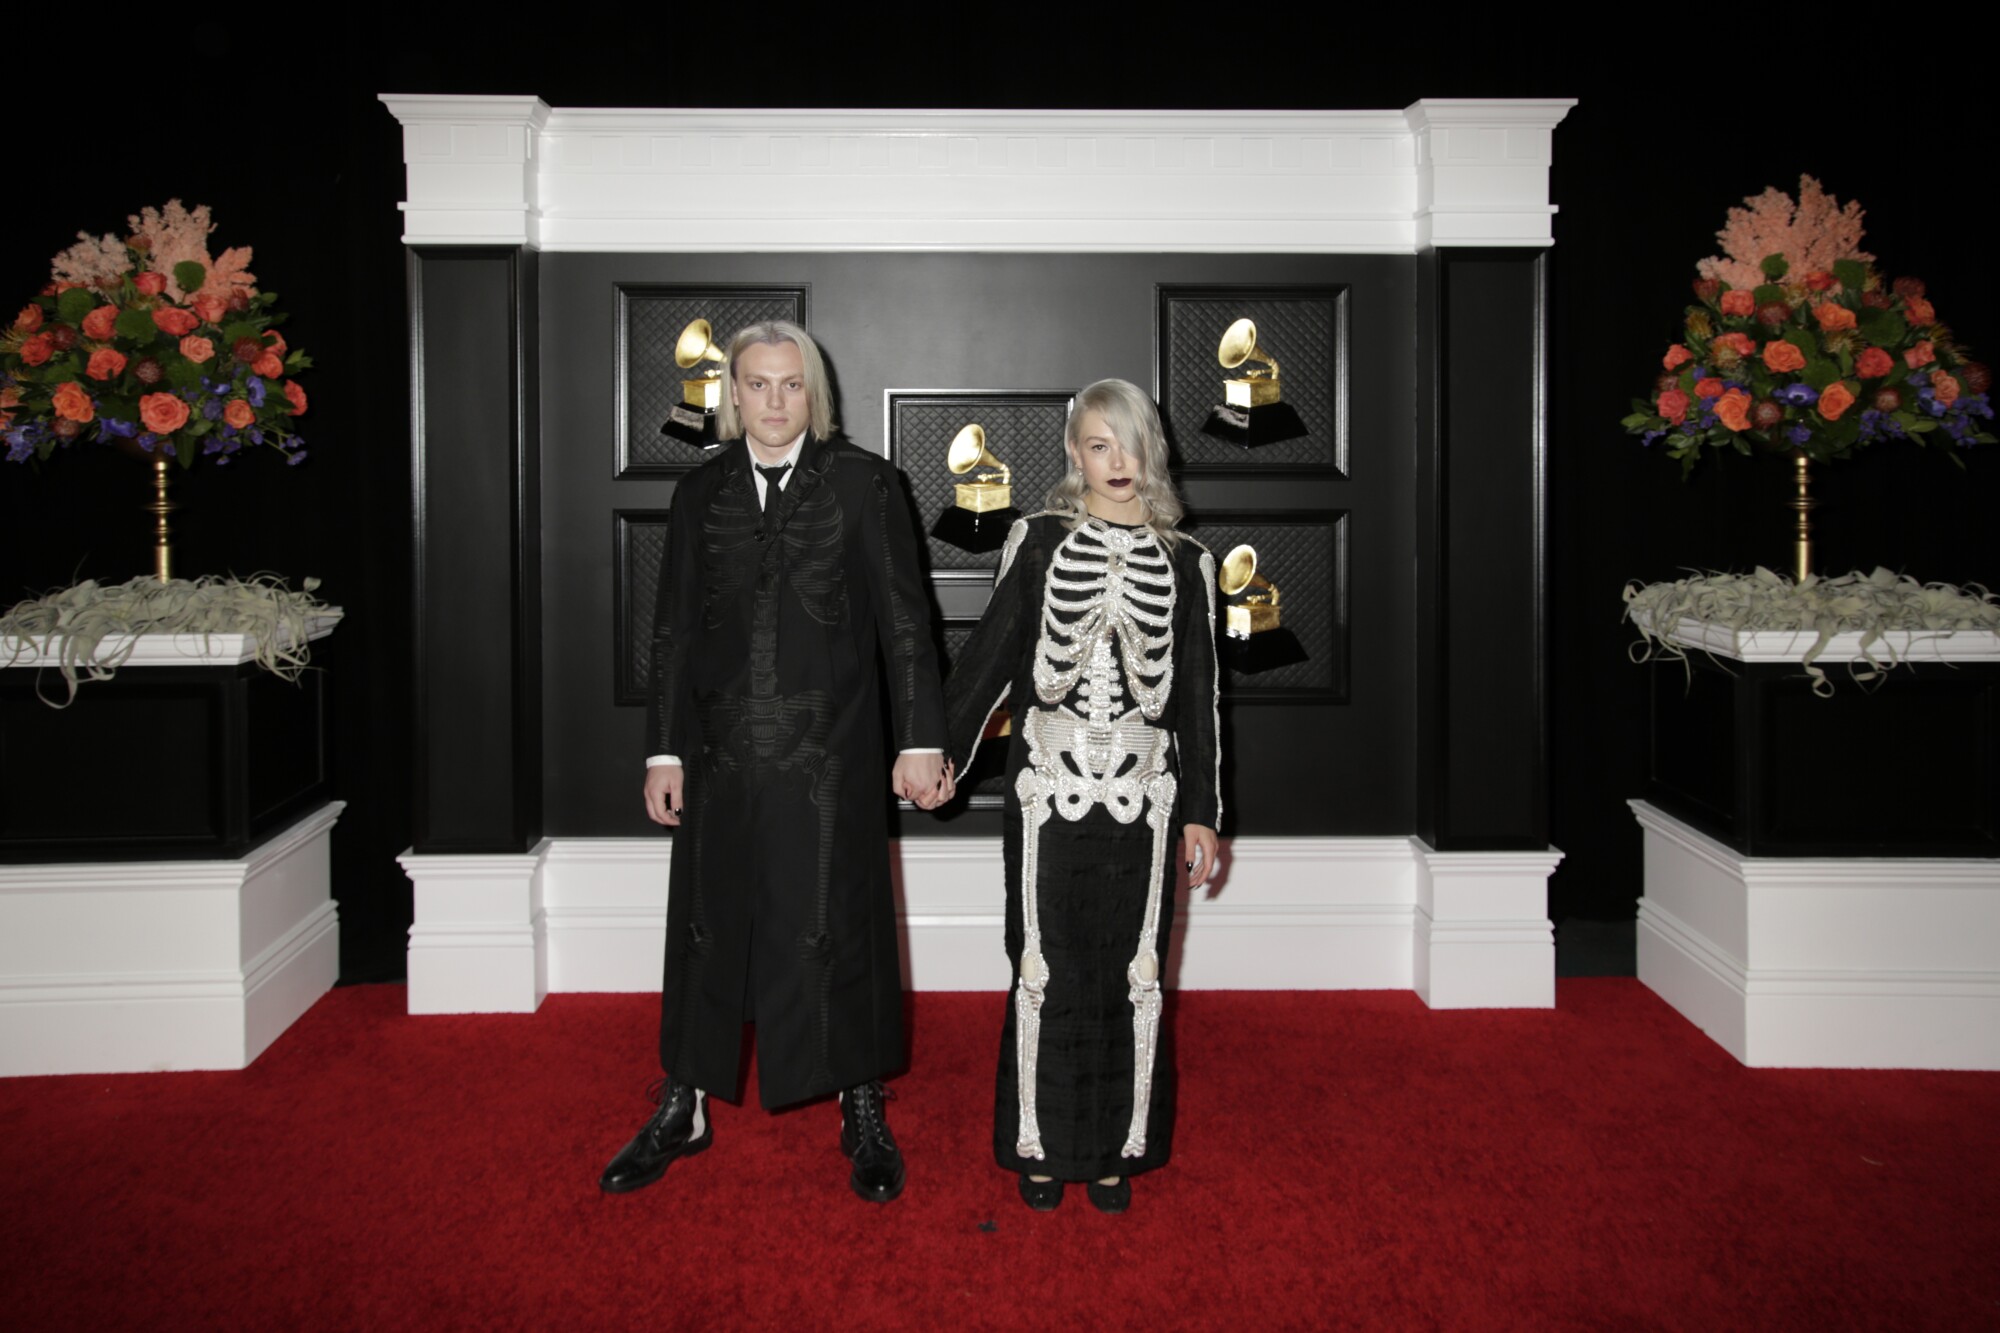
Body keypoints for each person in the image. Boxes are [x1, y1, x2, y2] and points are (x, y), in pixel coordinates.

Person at [601, 321, 954, 1203]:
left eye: (790, 385)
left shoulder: (868, 484)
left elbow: (907, 621)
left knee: (840, 919)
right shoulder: (699, 492)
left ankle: (860, 1098)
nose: (772, 401)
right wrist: (663, 747)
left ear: (814, 392)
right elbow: (674, 630)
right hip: (718, 755)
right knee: (706, 923)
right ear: (733, 394)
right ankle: (684, 1104)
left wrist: (920, 738)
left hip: (830, 752)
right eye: (756, 384)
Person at [942, 378, 1220, 1214]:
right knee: (1042, 965)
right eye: (1100, 444)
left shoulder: (1186, 560)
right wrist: (939, 754)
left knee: (1133, 973)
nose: (1118, 461)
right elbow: (988, 659)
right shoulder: (1037, 540)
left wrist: (1205, 809)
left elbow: (1200, 697)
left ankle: (1114, 1151)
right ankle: (1037, 1144)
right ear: (1076, 453)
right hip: (1047, 789)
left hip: (1147, 796)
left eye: (1131, 443)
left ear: (1153, 448)